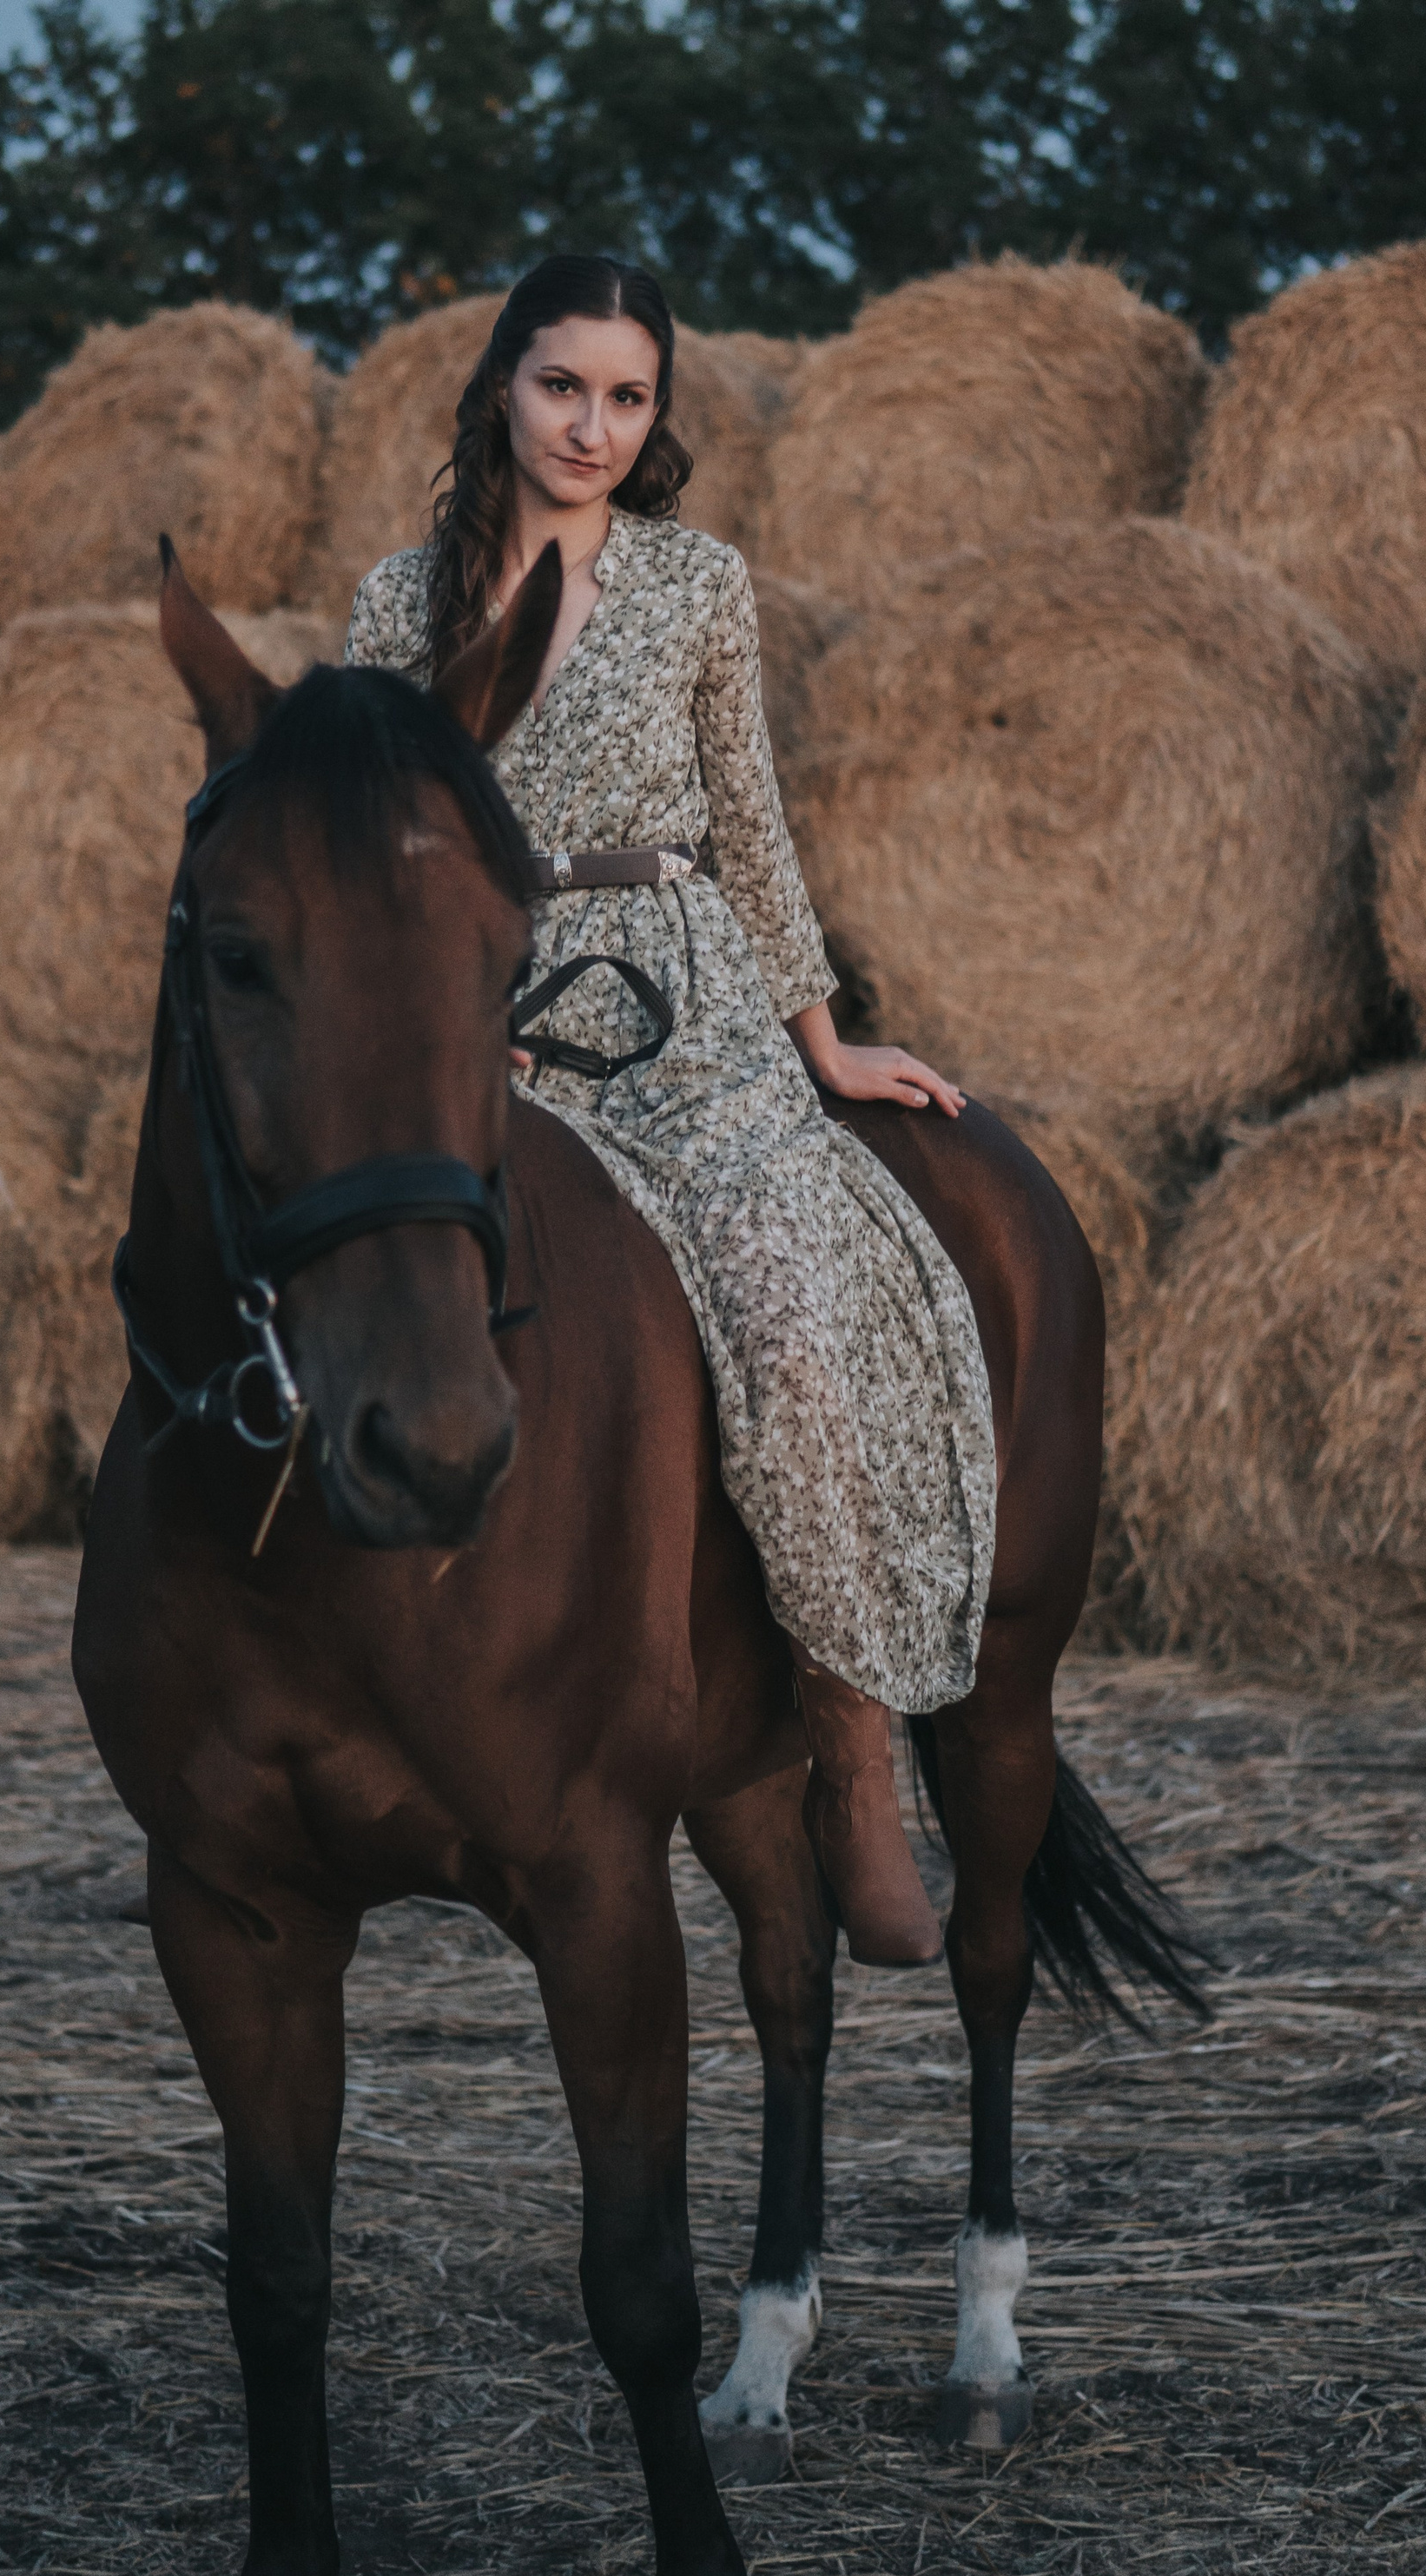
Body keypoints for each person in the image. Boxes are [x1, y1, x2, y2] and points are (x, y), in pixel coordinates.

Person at [345, 254, 995, 1967]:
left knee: (787, 1299)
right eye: (563, 386)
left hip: (678, 1003)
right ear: (503, 385)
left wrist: (822, 1040)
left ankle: (850, 1761)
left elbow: (749, 821)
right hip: (475, 1017)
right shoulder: (391, 604)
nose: (591, 425)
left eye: (627, 398)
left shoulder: (699, 583)